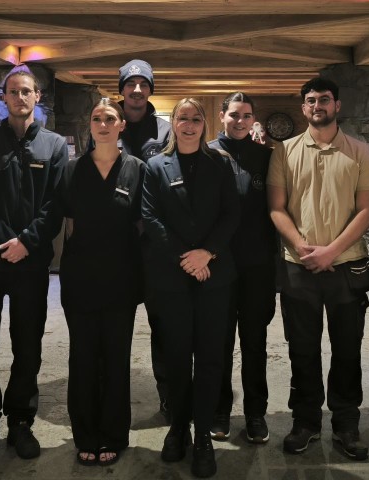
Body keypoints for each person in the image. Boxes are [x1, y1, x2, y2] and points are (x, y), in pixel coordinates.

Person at [0, 66, 68, 466]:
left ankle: (21, 421)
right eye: (13, 92)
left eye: (27, 92)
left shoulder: (54, 147)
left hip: (31, 265)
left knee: (28, 345)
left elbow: (57, 205)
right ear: (3, 98)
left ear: (37, 97)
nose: (20, 98)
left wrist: (27, 242)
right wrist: (5, 239)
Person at [267, 76, 369, 462]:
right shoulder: (284, 151)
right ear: (303, 108)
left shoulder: (362, 152)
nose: (318, 106)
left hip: (347, 266)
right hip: (298, 267)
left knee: (347, 351)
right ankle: (306, 422)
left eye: (325, 100)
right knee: (302, 350)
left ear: (338, 105)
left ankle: (346, 424)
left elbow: (367, 210)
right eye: (311, 101)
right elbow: (276, 208)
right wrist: (301, 247)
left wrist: (331, 251)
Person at [142, 98, 240, 478]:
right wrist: (187, 257)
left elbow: (232, 213)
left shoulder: (221, 164)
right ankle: (177, 428)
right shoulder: (155, 166)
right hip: (172, 277)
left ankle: (202, 435)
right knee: (177, 357)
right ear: (174, 123)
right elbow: (150, 217)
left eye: (195, 118)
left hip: (215, 276)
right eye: (182, 118)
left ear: (204, 124)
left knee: (212, 358)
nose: (188, 124)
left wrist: (207, 254)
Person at [48, 98, 145, 468]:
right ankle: (86, 434)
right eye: (96, 119)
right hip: (81, 280)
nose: (102, 124)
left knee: (117, 359)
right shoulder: (72, 171)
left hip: (122, 279)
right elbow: (62, 220)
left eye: (110, 119)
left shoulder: (136, 169)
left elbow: (142, 226)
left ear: (121, 126)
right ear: (90, 126)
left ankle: (115, 435)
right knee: (84, 358)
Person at [207, 93, 276, 445]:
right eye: (234, 114)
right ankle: (219, 410)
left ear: (253, 120)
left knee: (255, 343)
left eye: (246, 115)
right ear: (222, 116)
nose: (240, 121)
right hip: (217, 265)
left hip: (257, 267)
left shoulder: (267, 156)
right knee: (218, 342)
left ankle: (256, 414)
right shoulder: (205, 154)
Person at [116, 58, 173, 418]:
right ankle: (112, 398)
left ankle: (170, 397)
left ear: (151, 88)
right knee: (114, 325)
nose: (137, 90)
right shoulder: (107, 121)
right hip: (116, 245)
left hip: (155, 245)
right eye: (130, 83)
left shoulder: (165, 130)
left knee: (164, 325)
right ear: (121, 89)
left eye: (144, 84)